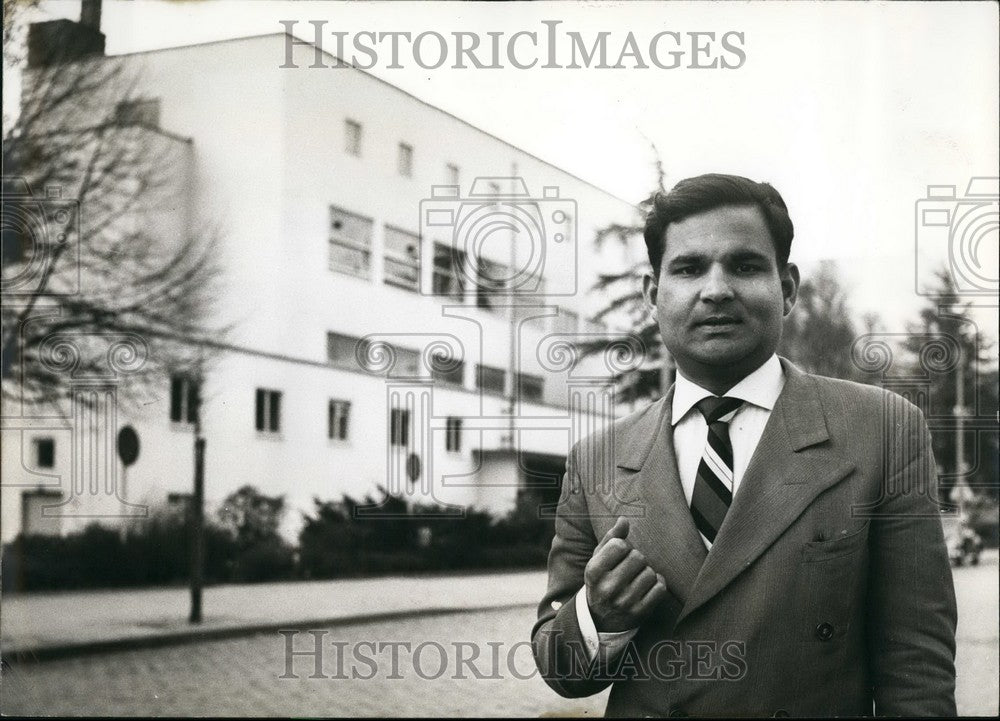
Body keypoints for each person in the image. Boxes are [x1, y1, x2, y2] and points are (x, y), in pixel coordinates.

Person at [531, 173, 957, 717]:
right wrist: (598, 616)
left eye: (745, 265)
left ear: (787, 288)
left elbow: (916, 667)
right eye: (688, 268)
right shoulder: (596, 459)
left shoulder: (881, 430)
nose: (716, 290)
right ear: (652, 294)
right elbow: (560, 669)